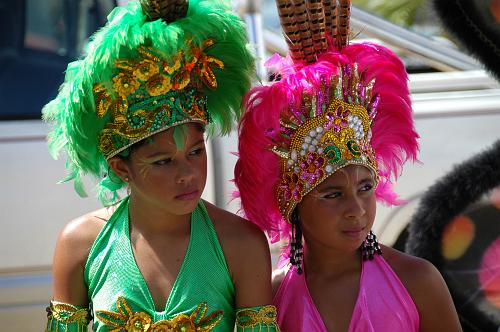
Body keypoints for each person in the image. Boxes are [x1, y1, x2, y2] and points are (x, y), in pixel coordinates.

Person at [43, 0, 279, 331]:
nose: (188, 174)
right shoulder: (80, 245)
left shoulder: (242, 245)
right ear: (120, 168)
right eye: (163, 161)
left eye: (196, 152)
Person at [234, 0, 462, 331]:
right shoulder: (272, 296)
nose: (356, 209)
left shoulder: (417, 282)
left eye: (365, 188)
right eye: (332, 194)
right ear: (294, 203)